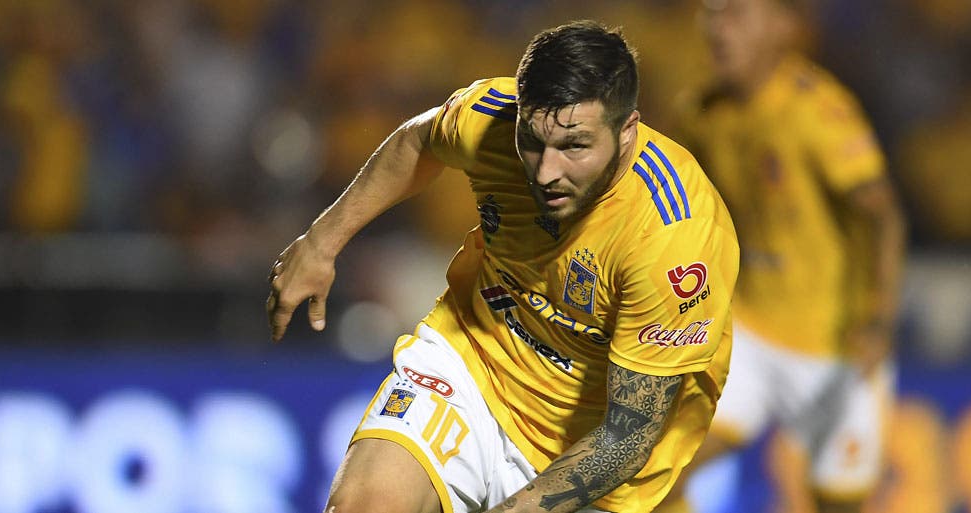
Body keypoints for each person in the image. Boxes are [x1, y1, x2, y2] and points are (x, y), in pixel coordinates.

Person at [267, 20, 739, 513]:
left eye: (574, 146)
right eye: (532, 141)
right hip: (475, 363)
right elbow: (417, 142)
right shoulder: (491, 115)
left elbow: (626, 437)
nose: (546, 172)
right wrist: (321, 242)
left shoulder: (675, 239)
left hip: (594, 455)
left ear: (626, 131)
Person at [656, 1, 907, 513]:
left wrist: (877, 320)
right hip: (747, 332)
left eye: (736, 15)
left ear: (783, 27)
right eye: (712, 14)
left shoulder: (818, 112)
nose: (717, 28)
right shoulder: (703, 113)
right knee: (662, 475)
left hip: (836, 348)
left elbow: (883, 217)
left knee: (838, 505)